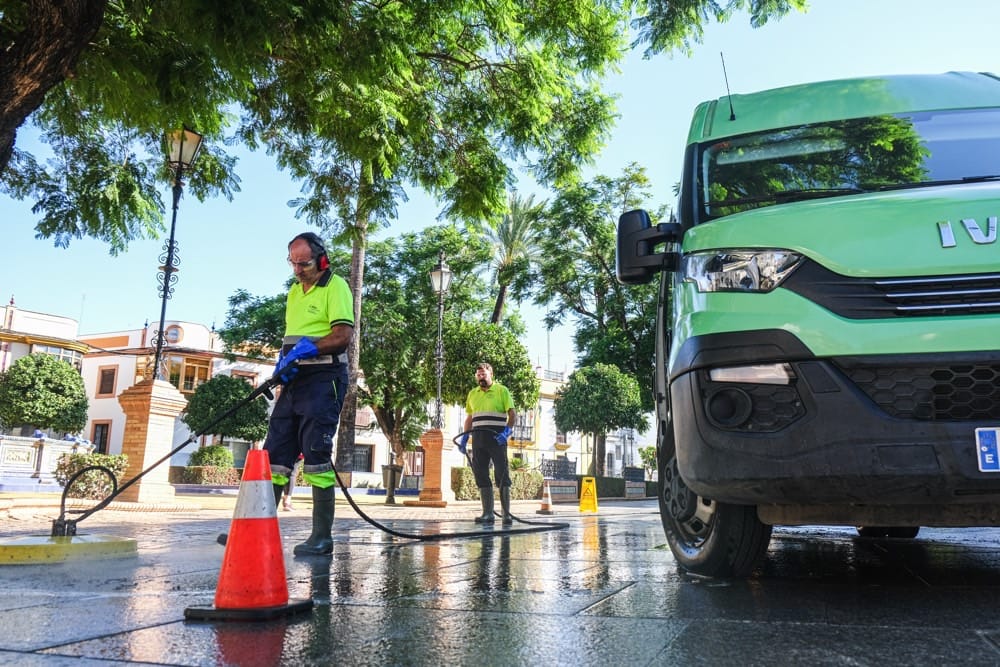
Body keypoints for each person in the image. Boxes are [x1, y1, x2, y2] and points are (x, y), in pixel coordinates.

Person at [264, 231, 354, 556]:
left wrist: (307, 349)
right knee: (274, 454)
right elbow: (291, 337)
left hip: (323, 379)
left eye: (303, 263)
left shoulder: (336, 286)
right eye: (293, 263)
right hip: (294, 382)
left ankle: (321, 536)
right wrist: (283, 364)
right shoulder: (293, 292)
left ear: (321, 259)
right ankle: (257, 531)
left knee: (316, 454)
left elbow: (342, 336)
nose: (298, 270)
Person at [459, 362, 516, 526]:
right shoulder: (472, 394)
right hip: (478, 439)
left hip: (497, 438)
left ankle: (506, 515)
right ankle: (487, 514)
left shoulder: (501, 391)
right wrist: (464, 438)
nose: (480, 377)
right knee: (481, 473)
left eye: (483, 374)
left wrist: (507, 432)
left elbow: (512, 414)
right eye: (478, 375)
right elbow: (470, 417)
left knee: (502, 473)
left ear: (491, 374)